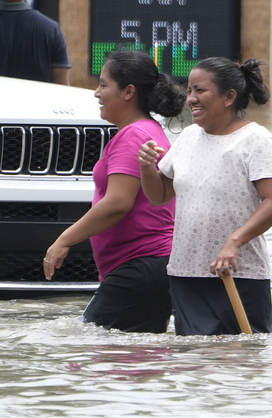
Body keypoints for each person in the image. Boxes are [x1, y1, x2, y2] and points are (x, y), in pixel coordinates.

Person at [138, 57, 272, 336]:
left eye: (200, 91)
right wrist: (147, 166)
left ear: (229, 97)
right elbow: (159, 195)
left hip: (237, 272)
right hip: (185, 271)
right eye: (189, 91)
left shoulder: (257, 141)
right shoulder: (188, 137)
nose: (190, 99)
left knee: (240, 362)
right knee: (193, 363)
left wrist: (233, 243)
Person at [43, 51, 186, 332]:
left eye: (103, 85)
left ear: (128, 92)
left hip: (141, 265)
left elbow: (118, 203)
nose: (96, 93)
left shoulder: (134, 135)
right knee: (130, 360)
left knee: (86, 349)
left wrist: (63, 240)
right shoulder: (148, 130)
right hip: (148, 267)